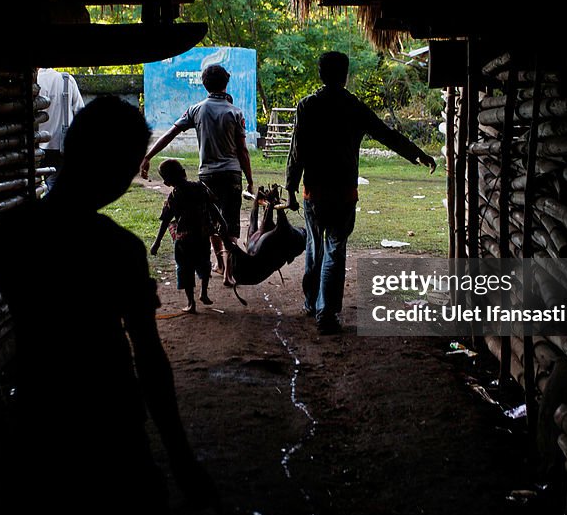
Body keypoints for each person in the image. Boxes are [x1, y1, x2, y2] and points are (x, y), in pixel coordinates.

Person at [0, 96, 216, 515]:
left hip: (39, 416)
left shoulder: (10, 233)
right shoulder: (117, 249)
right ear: (118, 170)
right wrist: (181, 458)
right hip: (109, 421)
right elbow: (149, 358)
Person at [286, 51, 436, 335]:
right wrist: (417, 155)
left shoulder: (307, 107)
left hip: (314, 193)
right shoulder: (353, 107)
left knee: (315, 247)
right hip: (343, 194)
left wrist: (291, 188)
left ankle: (311, 301)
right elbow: (387, 134)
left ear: (320, 74)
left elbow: (298, 152)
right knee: (335, 250)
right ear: (344, 76)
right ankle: (326, 313)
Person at [140, 64, 254, 286]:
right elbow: (242, 150)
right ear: (226, 83)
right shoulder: (235, 112)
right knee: (229, 222)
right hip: (231, 175)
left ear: (204, 84)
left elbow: (171, 133)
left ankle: (219, 264)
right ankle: (229, 273)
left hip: (207, 176)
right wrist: (249, 180)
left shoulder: (196, 110)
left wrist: (148, 156)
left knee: (210, 220)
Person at [150, 159, 225, 313]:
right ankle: (203, 293)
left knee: (185, 269)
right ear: (184, 172)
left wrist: (157, 243)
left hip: (183, 240)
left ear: (166, 182)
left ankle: (191, 303)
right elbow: (213, 207)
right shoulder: (200, 187)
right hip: (202, 236)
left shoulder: (174, 195)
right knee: (204, 263)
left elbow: (165, 220)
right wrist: (223, 222)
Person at [36, 67, 85, 191]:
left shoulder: (33, 81)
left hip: (37, 144)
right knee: (55, 183)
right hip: (61, 144)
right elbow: (80, 111)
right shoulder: (66, 79)